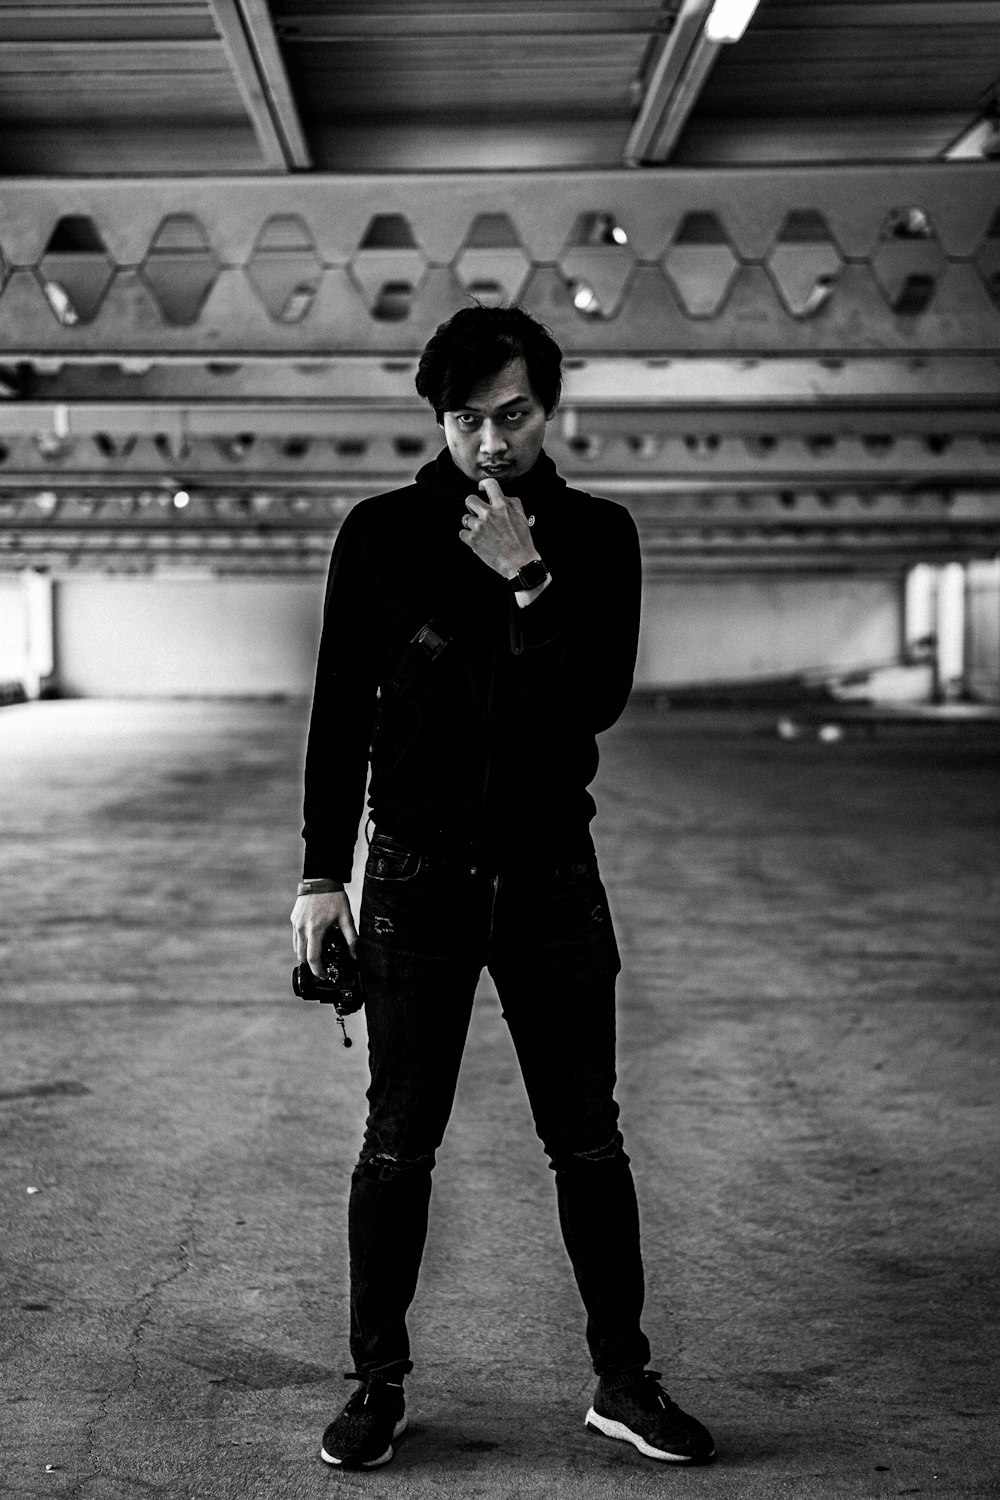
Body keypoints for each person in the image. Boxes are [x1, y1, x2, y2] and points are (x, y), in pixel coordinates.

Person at [291, 304, 715, 1471]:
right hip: (414, 879)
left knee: (588, 1140)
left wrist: (528, 576)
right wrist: (321, 874)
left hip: (548, 874)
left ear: (551, 407)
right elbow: (340, 714)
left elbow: (594, 701)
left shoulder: (597, 535)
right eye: (467, 419)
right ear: (438, 418)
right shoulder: (379, 535)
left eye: (513, 414)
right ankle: (376, 1386)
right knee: (397, 1142)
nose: (490, 441)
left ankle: (622, 1382)